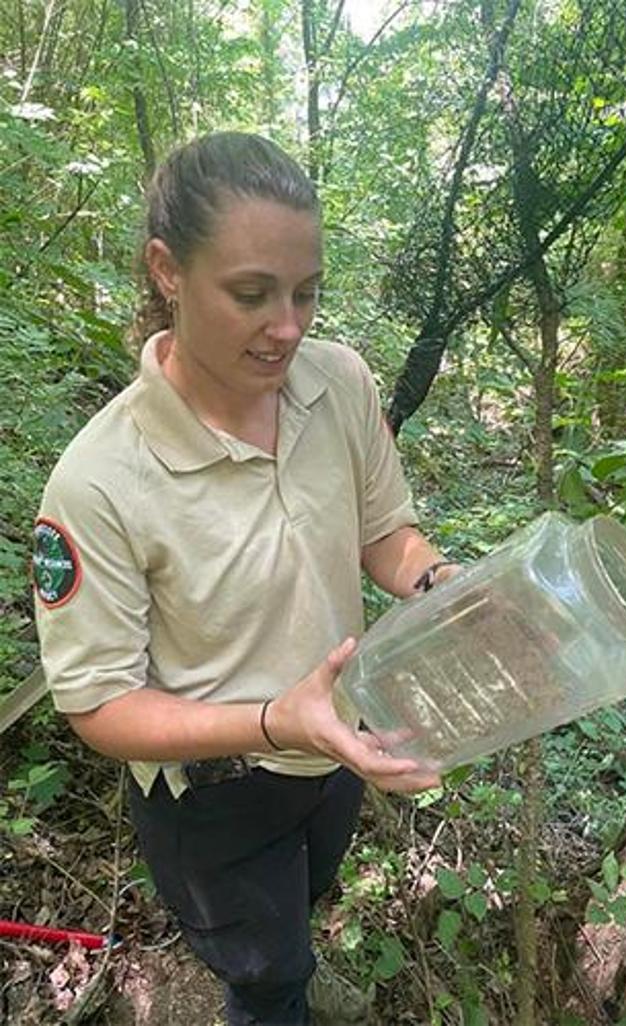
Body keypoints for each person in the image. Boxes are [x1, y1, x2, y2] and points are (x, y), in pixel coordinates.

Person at [32, 131, 459, 1026]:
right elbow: (99, 705)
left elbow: (384, 533)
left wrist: (443, 587)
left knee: (296, 909)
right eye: (252, 294)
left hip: (338, 750)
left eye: (306, 293)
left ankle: (283, 965)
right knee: (263, 976)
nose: (289, 327)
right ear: (167, 270)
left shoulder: (336, 383)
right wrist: (274, 718)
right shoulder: (99, 480)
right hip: (214, 793)